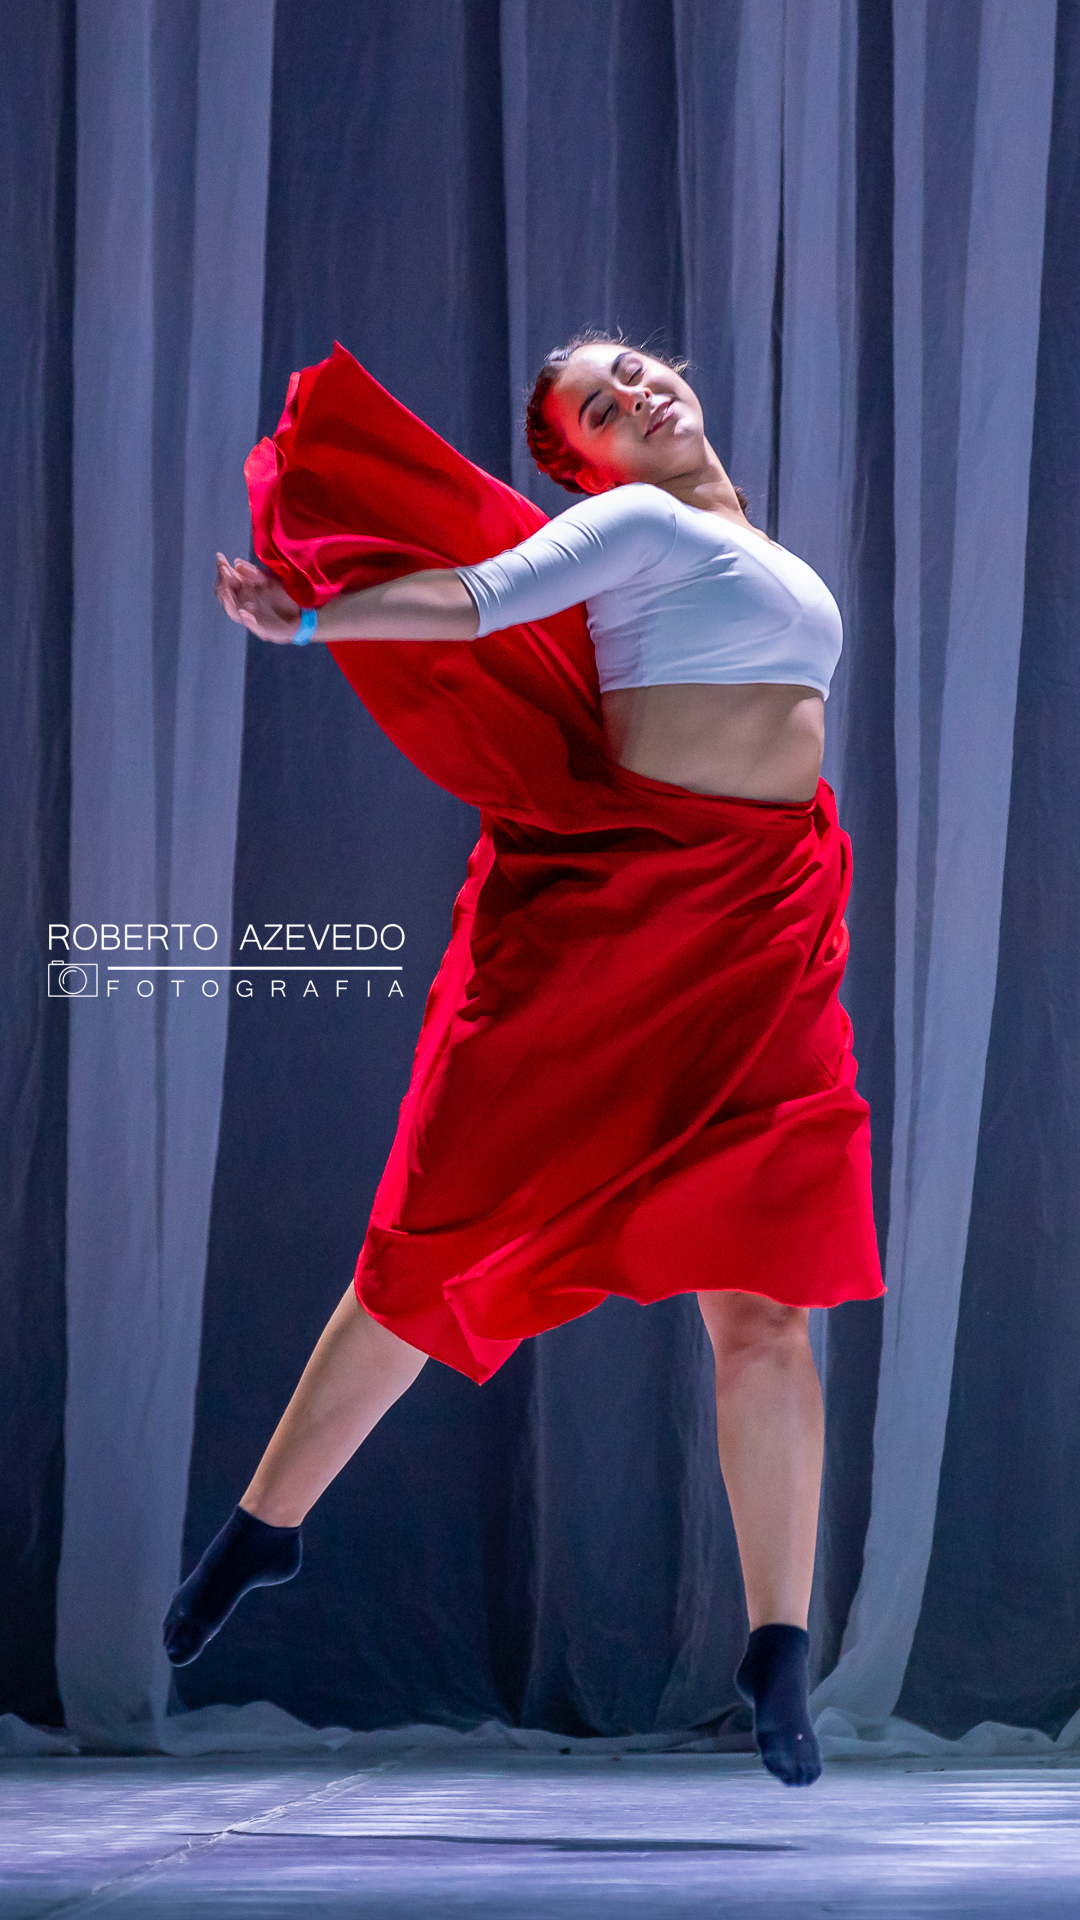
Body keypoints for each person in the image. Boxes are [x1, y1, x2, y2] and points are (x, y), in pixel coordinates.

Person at [163, 334, 884, 1788]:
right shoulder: (635, 524)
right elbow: (476, 600)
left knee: (765, 1300)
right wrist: (309, 626)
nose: (639, 397)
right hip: (628, 920)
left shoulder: (757, 547)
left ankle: (778, 1645)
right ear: (585, 465)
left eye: (636, 372)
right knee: (440, 1236)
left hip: (762, 929)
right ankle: (264, 1525)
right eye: (601, 408)